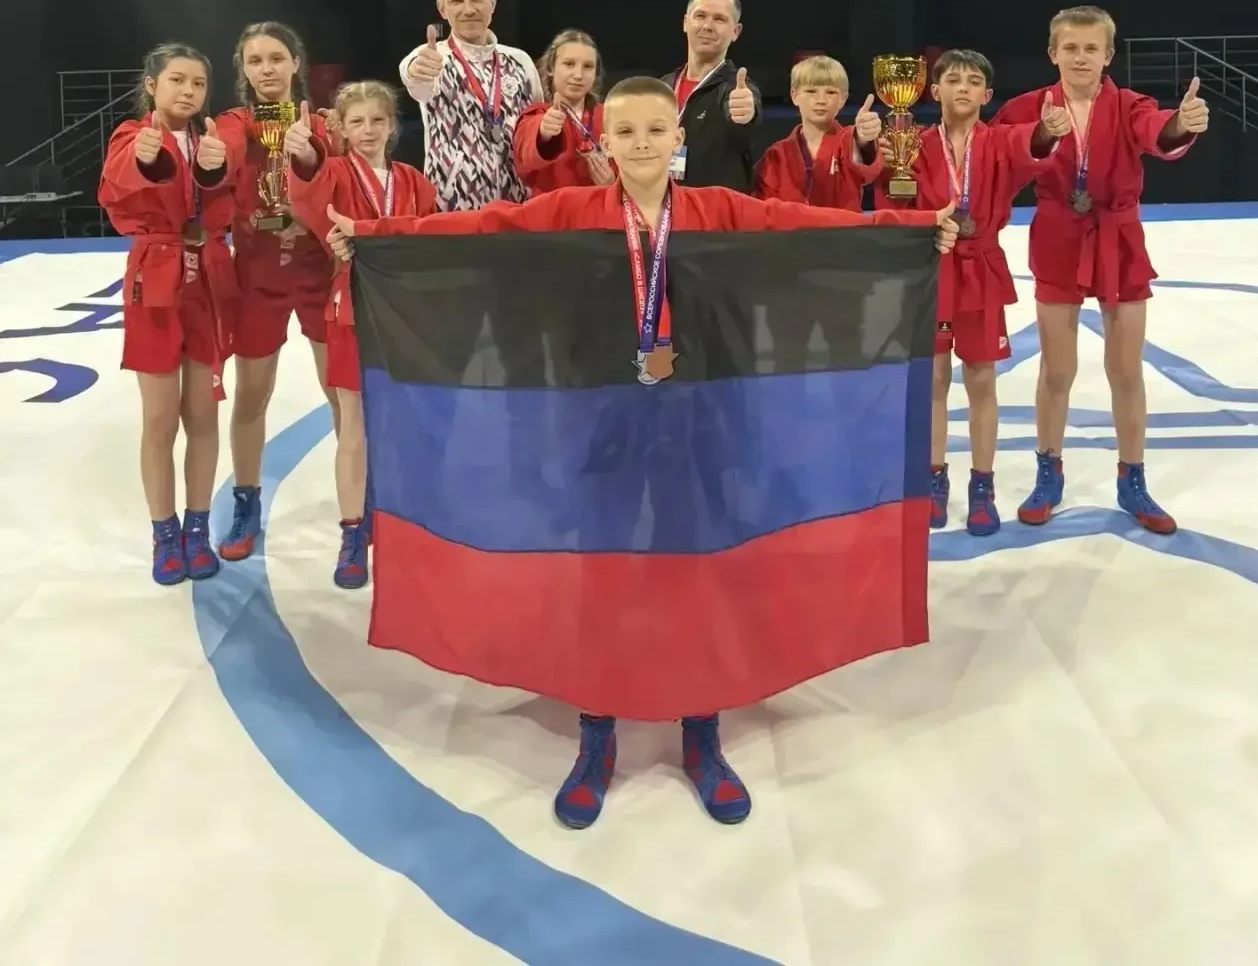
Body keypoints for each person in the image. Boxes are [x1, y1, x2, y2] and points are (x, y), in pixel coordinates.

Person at [327, 76, 957, 830]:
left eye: (656, 130)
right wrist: (376, 239)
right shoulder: (571, 212)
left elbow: (804, 227)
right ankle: (597, 727)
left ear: (677, 137)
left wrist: (911, 226)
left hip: (700, 419)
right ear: (604, 141)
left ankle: (701, 724)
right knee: (601, 568)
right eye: (625, 132)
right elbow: (486, 229)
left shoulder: (718, 210)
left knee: (703, 564)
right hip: (598, 419)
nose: (641, 144)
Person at [993, 6, 1209, 534]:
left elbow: (1156, 130)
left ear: (1108, 55)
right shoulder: (1028, 107)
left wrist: (1181, 123)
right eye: (1070, 48)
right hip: (1059, 236)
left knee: (1126, 371)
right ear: (1053, 53)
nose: (1080, 57)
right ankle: (1048, 473)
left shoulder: (1130, 104)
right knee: (1056, 371)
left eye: (1091, 48)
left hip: (1119, 239)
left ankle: (1132, 480)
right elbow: (999, 155)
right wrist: (1039, 137)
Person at [873, 50, 1070, 535]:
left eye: (974, 80)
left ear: (987, 95)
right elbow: (891, 201)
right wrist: (880, 161)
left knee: (982, 381)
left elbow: (1031, 145)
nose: (963, 86)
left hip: (980, 268)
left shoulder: (999, 140)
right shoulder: (909, 143)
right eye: (953, 79)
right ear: (933, 91)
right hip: (930, 268)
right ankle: (933, 479)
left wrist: (1047, 131)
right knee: (934, 379)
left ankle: (983, 485)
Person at [98, 43, 240, 585]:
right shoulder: (131, 136)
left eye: (199, 83)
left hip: (207, 279)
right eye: (177, 79)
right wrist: (148, 159)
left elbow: (226, 206)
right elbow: (115, 190)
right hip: (155, 279)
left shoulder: (213, 141)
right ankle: (164, 532)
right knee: (159, 417)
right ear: (151, 85)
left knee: (202, 414)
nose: (189, 91)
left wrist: (212, 172)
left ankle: (197, 530)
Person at [288, 81, 437, 588]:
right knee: (352, 423)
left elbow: (430, 237)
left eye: (377, 120)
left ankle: (400, 518)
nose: (368, 130)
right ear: (342, 129)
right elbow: (307, 193)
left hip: (405, 314)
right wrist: (303, 154)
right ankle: (352, 532)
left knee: (404, 421)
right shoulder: (333, 171)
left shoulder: (414, 181)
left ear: (393, 126)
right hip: (350, 307)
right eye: (357, 121)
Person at [215, 21, 331, 562]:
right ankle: (246, 502)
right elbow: (223, 155)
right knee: (251, 395)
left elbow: (337, 182)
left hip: (317, 271)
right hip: (258, 277)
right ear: (244, 69)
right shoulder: (233, 124)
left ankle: (363, 499)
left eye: (276, 58)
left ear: (295, 64)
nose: (266, 69)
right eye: (255, 60)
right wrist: (212, 156)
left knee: (342, 394)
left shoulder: (322, 123)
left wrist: (312, 151)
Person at [398, 0, 541, 212]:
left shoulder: (521, 62)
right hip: (452, 210)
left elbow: (535, 124)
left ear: (492, 3)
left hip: (518, 205)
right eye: (456, 0)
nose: (469, 9)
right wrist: (415, 70)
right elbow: (415, 80)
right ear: (442, 9)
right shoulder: (432, 58)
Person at [663, 0, 761, 192]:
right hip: (664, 206)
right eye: (700, 16)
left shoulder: (736, 89)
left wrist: (747, 114)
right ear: (686, 22)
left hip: (715, 210)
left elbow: (746, 120)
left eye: (719, 19)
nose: (707, 26)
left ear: (735, 32)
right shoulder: (663, 87)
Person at [754, 55, 883, 206]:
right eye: (811, 91)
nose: (821, 100)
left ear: (843, 99)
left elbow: (863, 163)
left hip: (842, 222)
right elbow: (763, 208)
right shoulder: (776, 155)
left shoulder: (848, 143)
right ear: (794, 96)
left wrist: (863, 137)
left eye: (831, 92)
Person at [513, 28, 615, 194]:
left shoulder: (610, 117)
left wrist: (613, 182)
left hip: (600, 207)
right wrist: (543, 133)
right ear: (551, 68)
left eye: (588, 66)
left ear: (596, 73)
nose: (578, 75)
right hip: (551, 209)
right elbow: (523, 158)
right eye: (569, 64)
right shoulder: (537, 114)